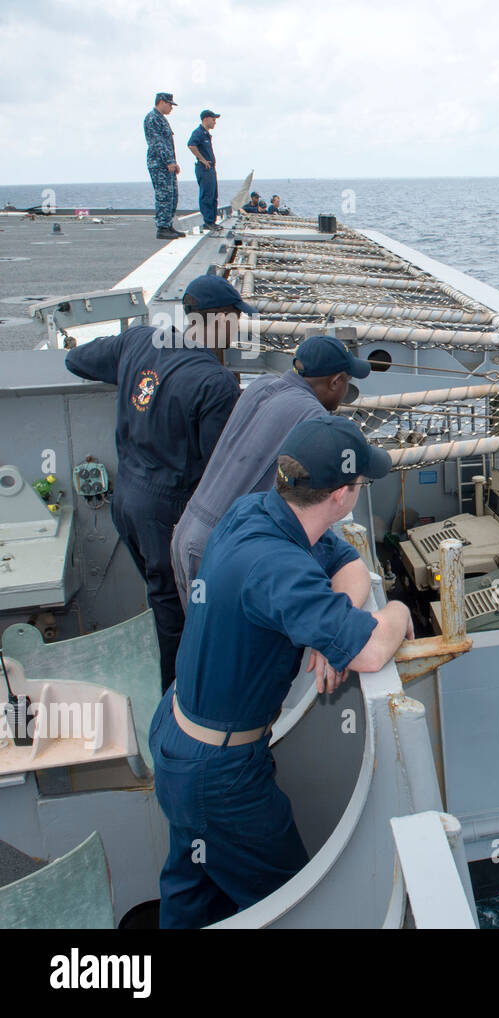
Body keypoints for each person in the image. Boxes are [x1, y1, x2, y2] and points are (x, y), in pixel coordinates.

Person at [148, 416, 411, 928]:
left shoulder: (261, 512)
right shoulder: (277, 564)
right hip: (219, 775)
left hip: (182, 735)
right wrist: (395, 611)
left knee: (195, 895)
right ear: (341, 495)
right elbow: (376, 651)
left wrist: (331, 632)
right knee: (294, 903)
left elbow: (350, 567)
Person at [64, 275, 252, 691]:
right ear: (220, 320)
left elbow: (75, 361)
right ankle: (181, 699)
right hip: (167, 514)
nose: (239, 328)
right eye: (237, 319)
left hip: (126, 502)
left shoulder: (140, 341)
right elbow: (220, 471)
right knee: (176, 615)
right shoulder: (216, 383)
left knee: (159, 595)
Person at [171, 334, 373, 602]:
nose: (345, 391)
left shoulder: (262, 386)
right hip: (218, 547)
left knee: (200, 629)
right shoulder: (313, 417)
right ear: (335, 381)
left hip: (188, 530)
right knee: (220, 639)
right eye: (346, 382)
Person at [144, 92, 182, 239]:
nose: (171, 108)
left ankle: (168, 224)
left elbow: (167, 143)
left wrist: (173, 161)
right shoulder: (152, 118)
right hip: (159, 164)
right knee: (163, 196)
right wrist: (169, 160)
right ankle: (162, 227)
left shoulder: (161, 119)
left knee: (172, 195)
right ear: (161, 102)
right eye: (169, 104)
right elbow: (157, 142)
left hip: (166, 163)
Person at [187, 110, 220, 231]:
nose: (214, 122)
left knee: (213, 195)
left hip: (210, 169)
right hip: (204, 169)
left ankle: (212, 220)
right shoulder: (199, 132)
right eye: (213, 119)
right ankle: (208, 222)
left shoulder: (206, 134)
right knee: (206, 195)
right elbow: (191, 145)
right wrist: (202, 159)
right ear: (205, 119)